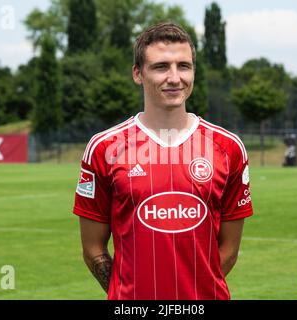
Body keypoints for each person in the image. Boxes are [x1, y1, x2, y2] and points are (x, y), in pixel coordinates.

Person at [72, 22, 254, 300]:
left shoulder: (228, 148)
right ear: (137, 73)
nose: (174, 77)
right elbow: (93, 249)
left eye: (184, 66)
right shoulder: (104, 148)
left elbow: (229, 250)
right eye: (160, 67)